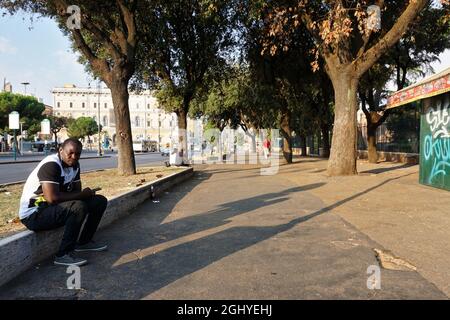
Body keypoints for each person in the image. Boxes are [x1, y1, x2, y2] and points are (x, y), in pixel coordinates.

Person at [19, 138, 108, 266]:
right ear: (61, 150)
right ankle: (63, 255)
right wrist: (82, 194)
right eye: (70, 153)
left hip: (53, 208)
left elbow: (77, 191)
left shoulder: (75, 165)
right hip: (34, 214)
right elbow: (52, 198)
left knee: (99, 201)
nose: (74, 157)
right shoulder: (51, 165)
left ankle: (84, 242)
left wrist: (83, 194)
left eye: (77, 154)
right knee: (78, 207)